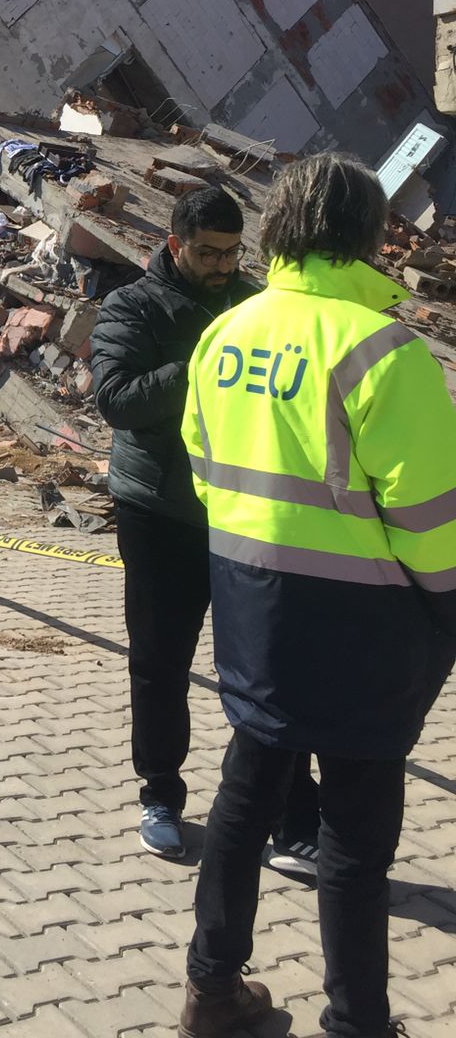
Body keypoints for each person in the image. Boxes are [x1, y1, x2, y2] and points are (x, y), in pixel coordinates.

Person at [177, 153, 456, 1038]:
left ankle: (211, 993)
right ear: (368, 237)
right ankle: (357, 1023)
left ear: (279, 232)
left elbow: (202, 464)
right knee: (354, 843)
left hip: (256, 617)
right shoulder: (381, 347)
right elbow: (434, 520)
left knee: (242, 803)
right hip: (365, 633)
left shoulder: (227, 334)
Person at [91, 186, 318, 865]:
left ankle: (295, 810)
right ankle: (161, 793)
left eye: (232, 252)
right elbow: (116, 401)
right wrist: (203, 368)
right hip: (160, 513)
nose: (223, 265)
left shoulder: (255, 303)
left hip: (247, 511)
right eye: (209, 253)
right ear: (174, 245)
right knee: (161, 663)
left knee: (271, 668)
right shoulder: (131, 306)